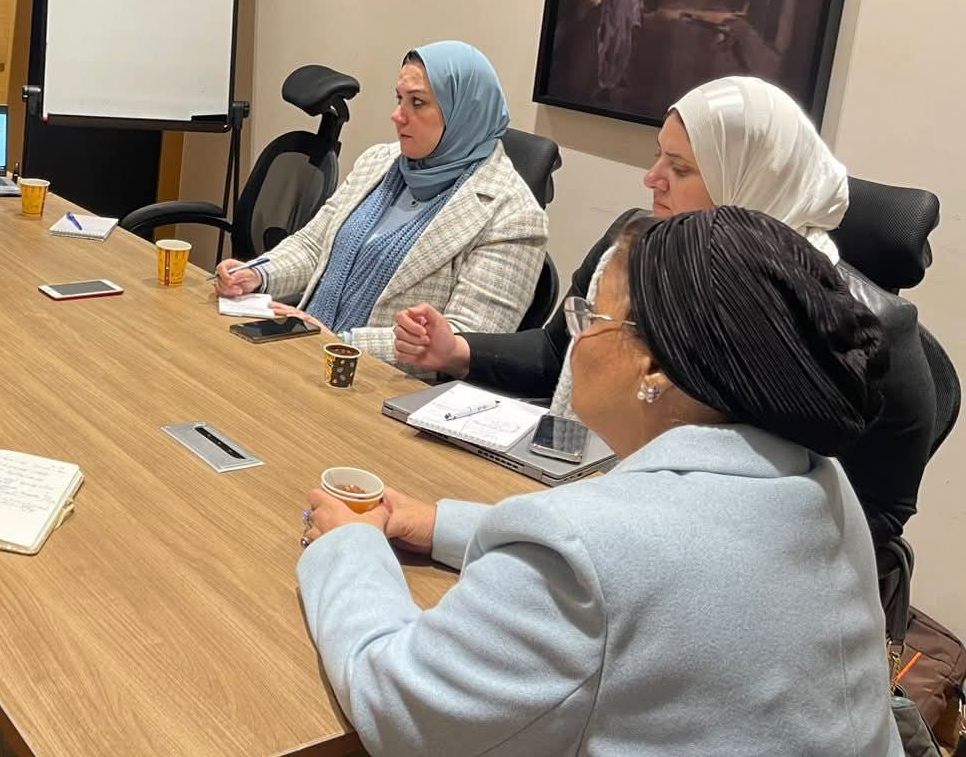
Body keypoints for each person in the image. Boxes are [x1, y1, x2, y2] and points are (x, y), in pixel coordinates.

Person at [299, 207, 902, 755]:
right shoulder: (820, 479)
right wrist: (441, 526)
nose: (577, 338)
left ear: (655, 364)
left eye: (591, 316)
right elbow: (662, 553)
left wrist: (349, 546)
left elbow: (401, 708)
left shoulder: (588, 551)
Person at [393, 75, 935, 548]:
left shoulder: (867, 327)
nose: (651, 178)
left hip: (719, 554)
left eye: (678, 168)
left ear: (748, 181)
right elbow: (558, 354)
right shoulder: (630, 249)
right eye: (658, 156)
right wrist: (457, 350)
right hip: (579, 503)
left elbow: (875, 509)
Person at [214, 42, 545, 363]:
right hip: (303, 351)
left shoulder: (513, 217)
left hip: (381, 383)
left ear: (465, 112)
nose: (397, 116)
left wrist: (337, 342)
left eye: (417, 103)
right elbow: (315, 246)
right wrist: (256, 273)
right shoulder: (380, 161)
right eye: (400, 99)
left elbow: (466, 341)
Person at [594, 0, 639, 91]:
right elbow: (606, 5)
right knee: (606, 53)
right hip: (610, 23)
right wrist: (603, 23)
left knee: (621, 53)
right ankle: (605, 84)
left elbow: (635, 5)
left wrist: (635, 24)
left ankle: (616, 79)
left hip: (624, 25)